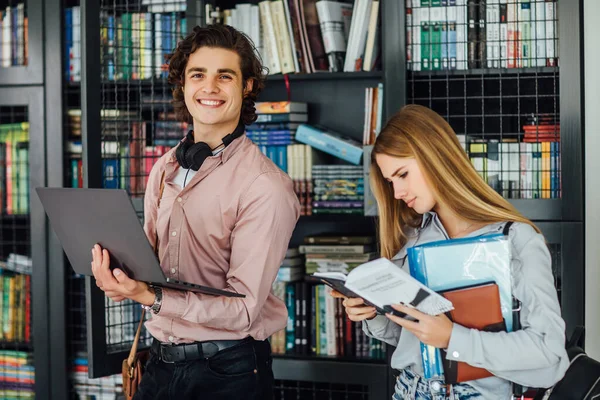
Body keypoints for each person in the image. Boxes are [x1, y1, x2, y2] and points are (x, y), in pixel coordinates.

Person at [91, 24, 300, 399]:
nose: (209, 88)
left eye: (225, 76)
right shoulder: (165, 168)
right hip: (159, 364)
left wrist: (149, 296)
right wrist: (120, 277)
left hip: (229, 372)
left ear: (247, 86)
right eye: (198, 75)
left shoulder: (266, 186)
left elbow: (244, 311)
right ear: (183, 84)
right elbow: (150, 270)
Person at [332, 104, 569, 399]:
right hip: (409, 390)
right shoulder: (413, 238)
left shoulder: (516, 240)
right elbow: (410, 338)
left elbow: (549, 353)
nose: (396, 193)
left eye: (402, 174)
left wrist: (453, 338)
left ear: (436, 157)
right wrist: (372, 314)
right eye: (390, 181)